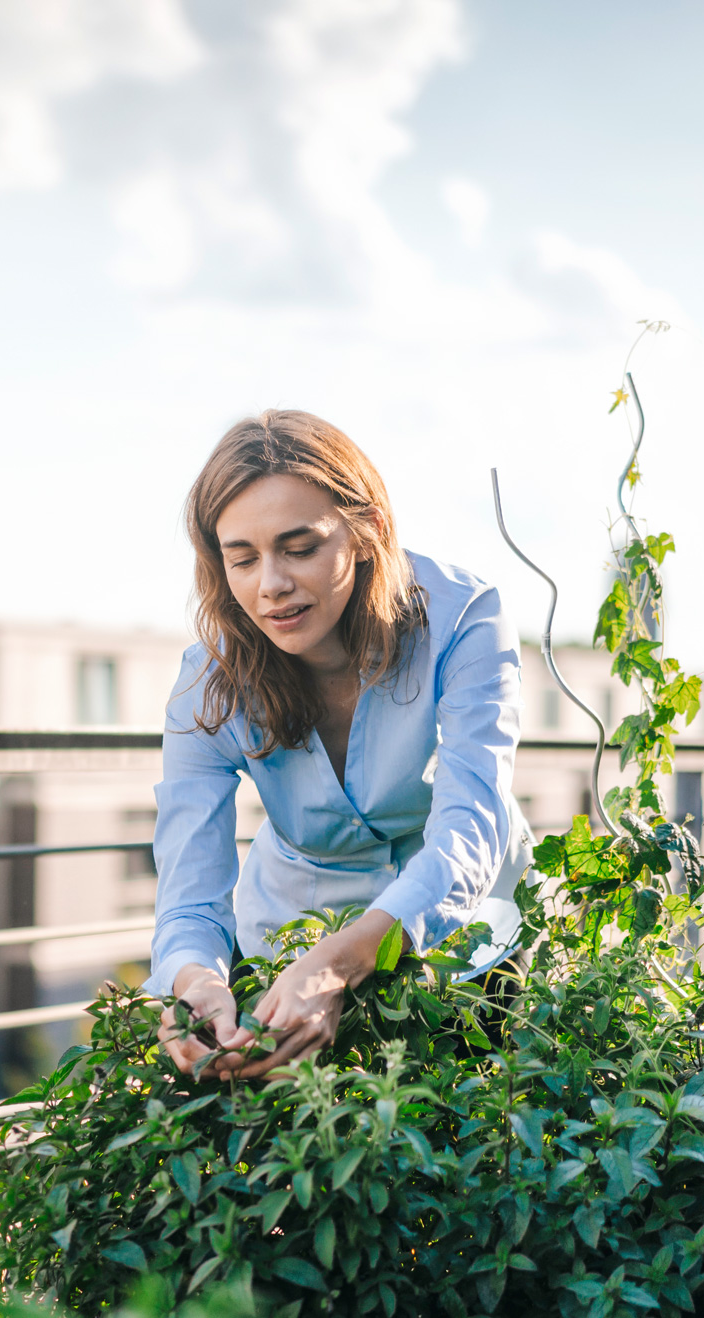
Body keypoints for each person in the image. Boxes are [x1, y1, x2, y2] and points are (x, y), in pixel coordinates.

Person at [146, 410, 530, 1080]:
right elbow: (189, 884)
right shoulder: (207, 680)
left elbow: (469, 827)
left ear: (366, 532)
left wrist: (339, 963)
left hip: (464, 937)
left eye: (299, 549)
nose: (271, 584)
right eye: (243, 558)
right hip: (288, 940)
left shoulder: (464, 617)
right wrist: (197, 983)